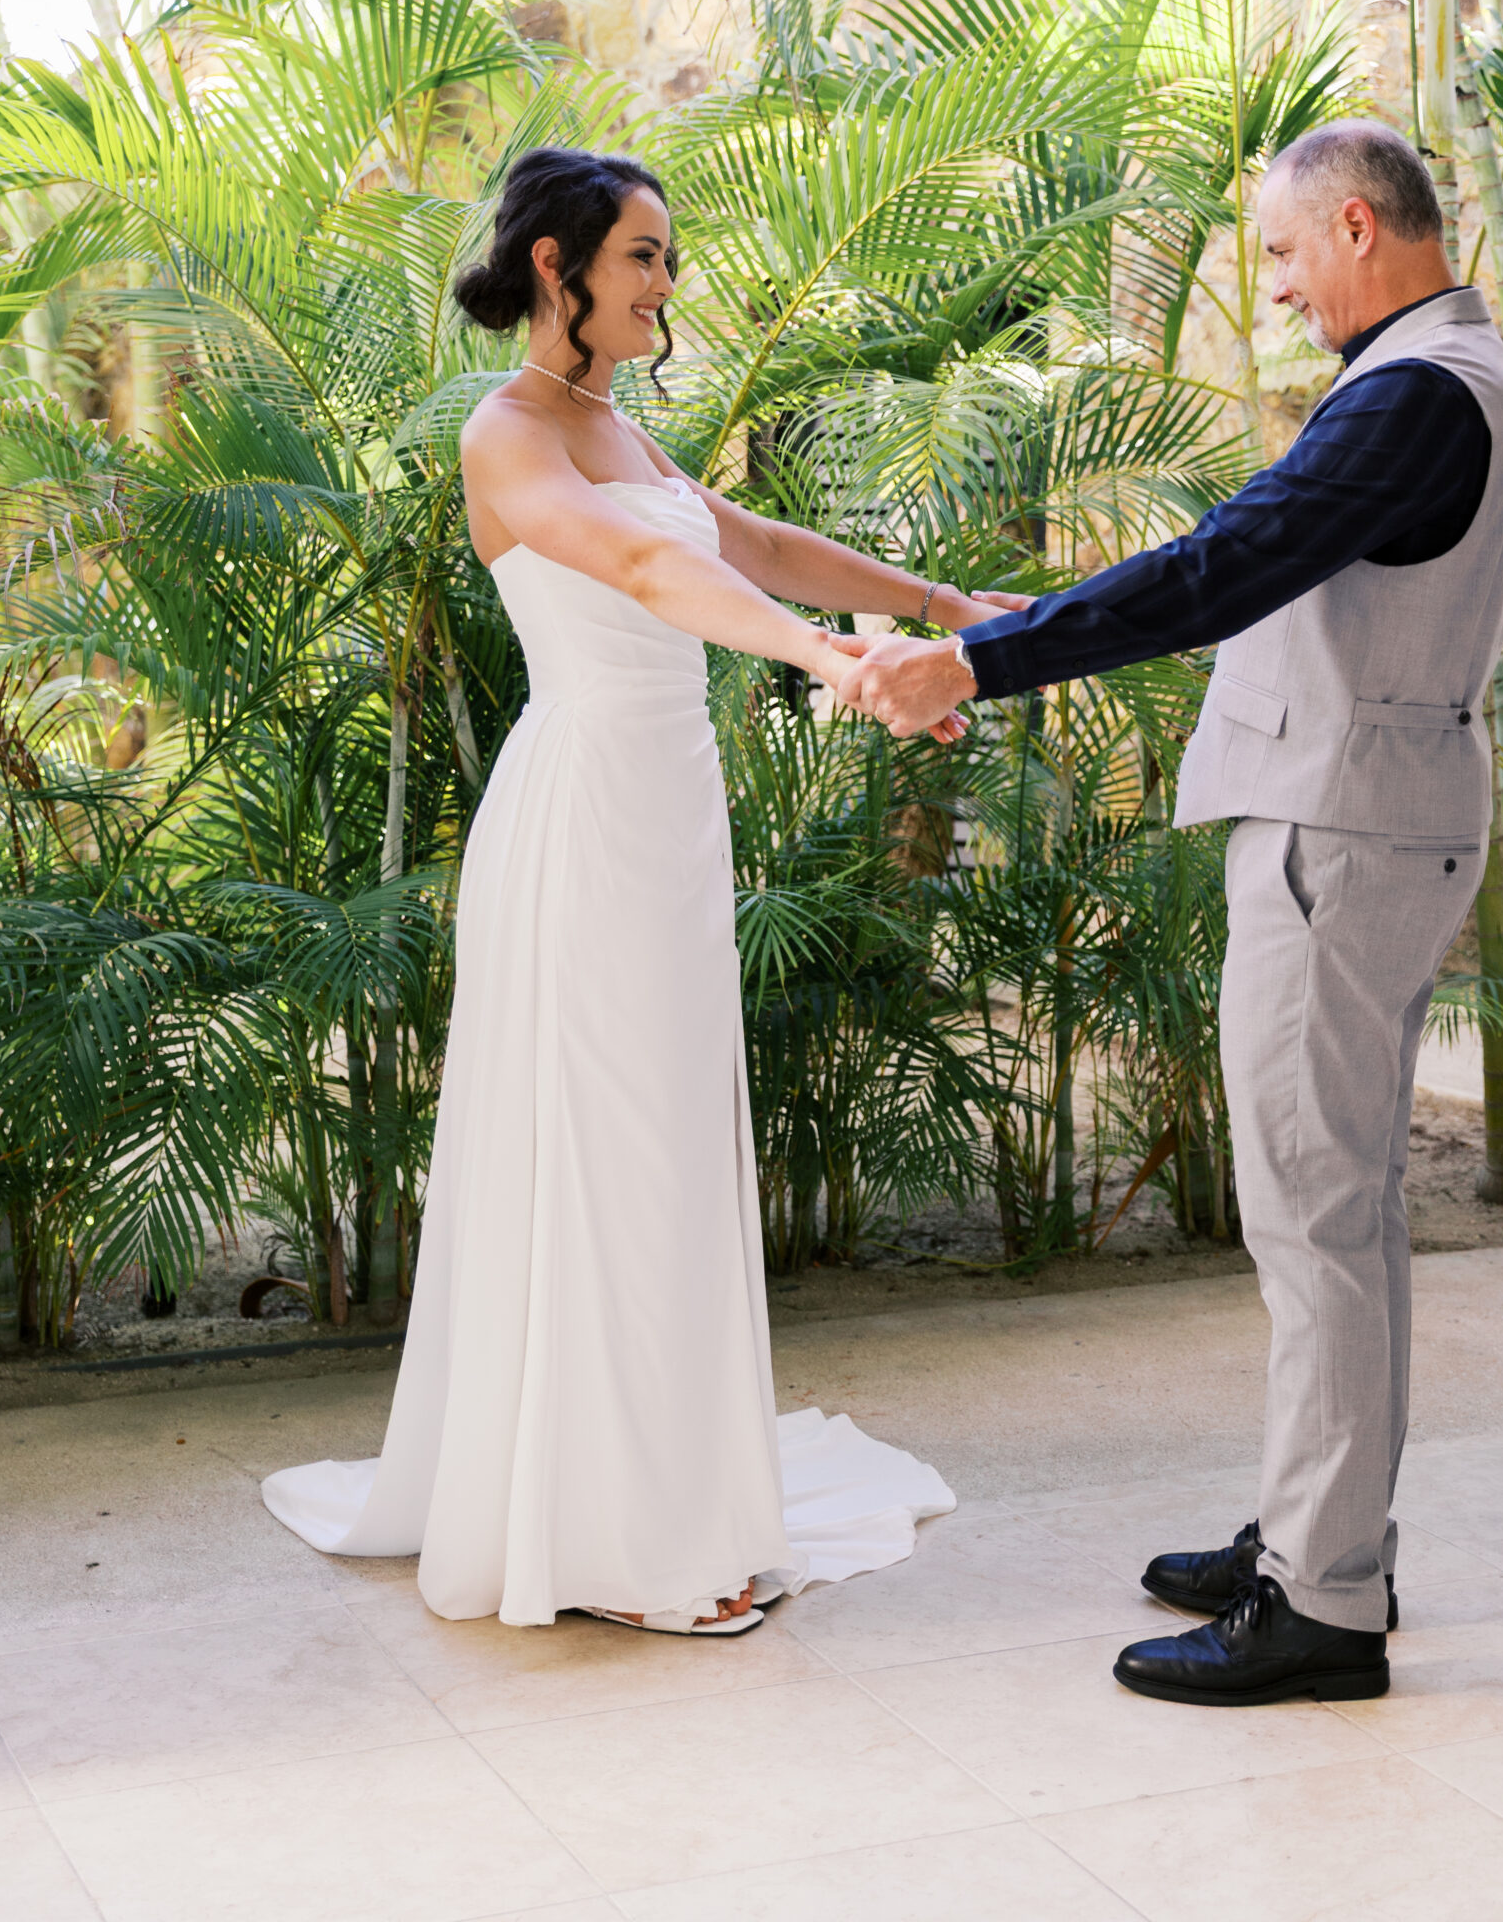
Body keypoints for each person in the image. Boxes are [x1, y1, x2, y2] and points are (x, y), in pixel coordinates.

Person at [261, 146, 1021, 1631]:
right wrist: (829, 659)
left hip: (671, 817)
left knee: (667, 1140)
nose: (667, 286)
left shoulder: (623, 428)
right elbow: (639, 571)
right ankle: (617, 1539)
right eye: (644, 259)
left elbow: (745, 544)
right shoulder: (510, 435)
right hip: (584, 821)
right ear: (558, 271)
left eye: (665, 259)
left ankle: (672, 1490)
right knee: (604, 1141)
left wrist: (929, 607)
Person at [844, 120, 1503, 1706]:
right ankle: (1321, 1535)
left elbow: (1235, 562)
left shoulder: (1416, 394)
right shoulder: (1438, 377)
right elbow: (1261, 568)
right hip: (1362, 818)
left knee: (1313, 1213)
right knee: (1336, 1208)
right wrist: (1025, 626)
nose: (1280, 288)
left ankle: (1322, 1604)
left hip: (1341, 835)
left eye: (1285, 254)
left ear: (1357, 229)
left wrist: (979, 661)